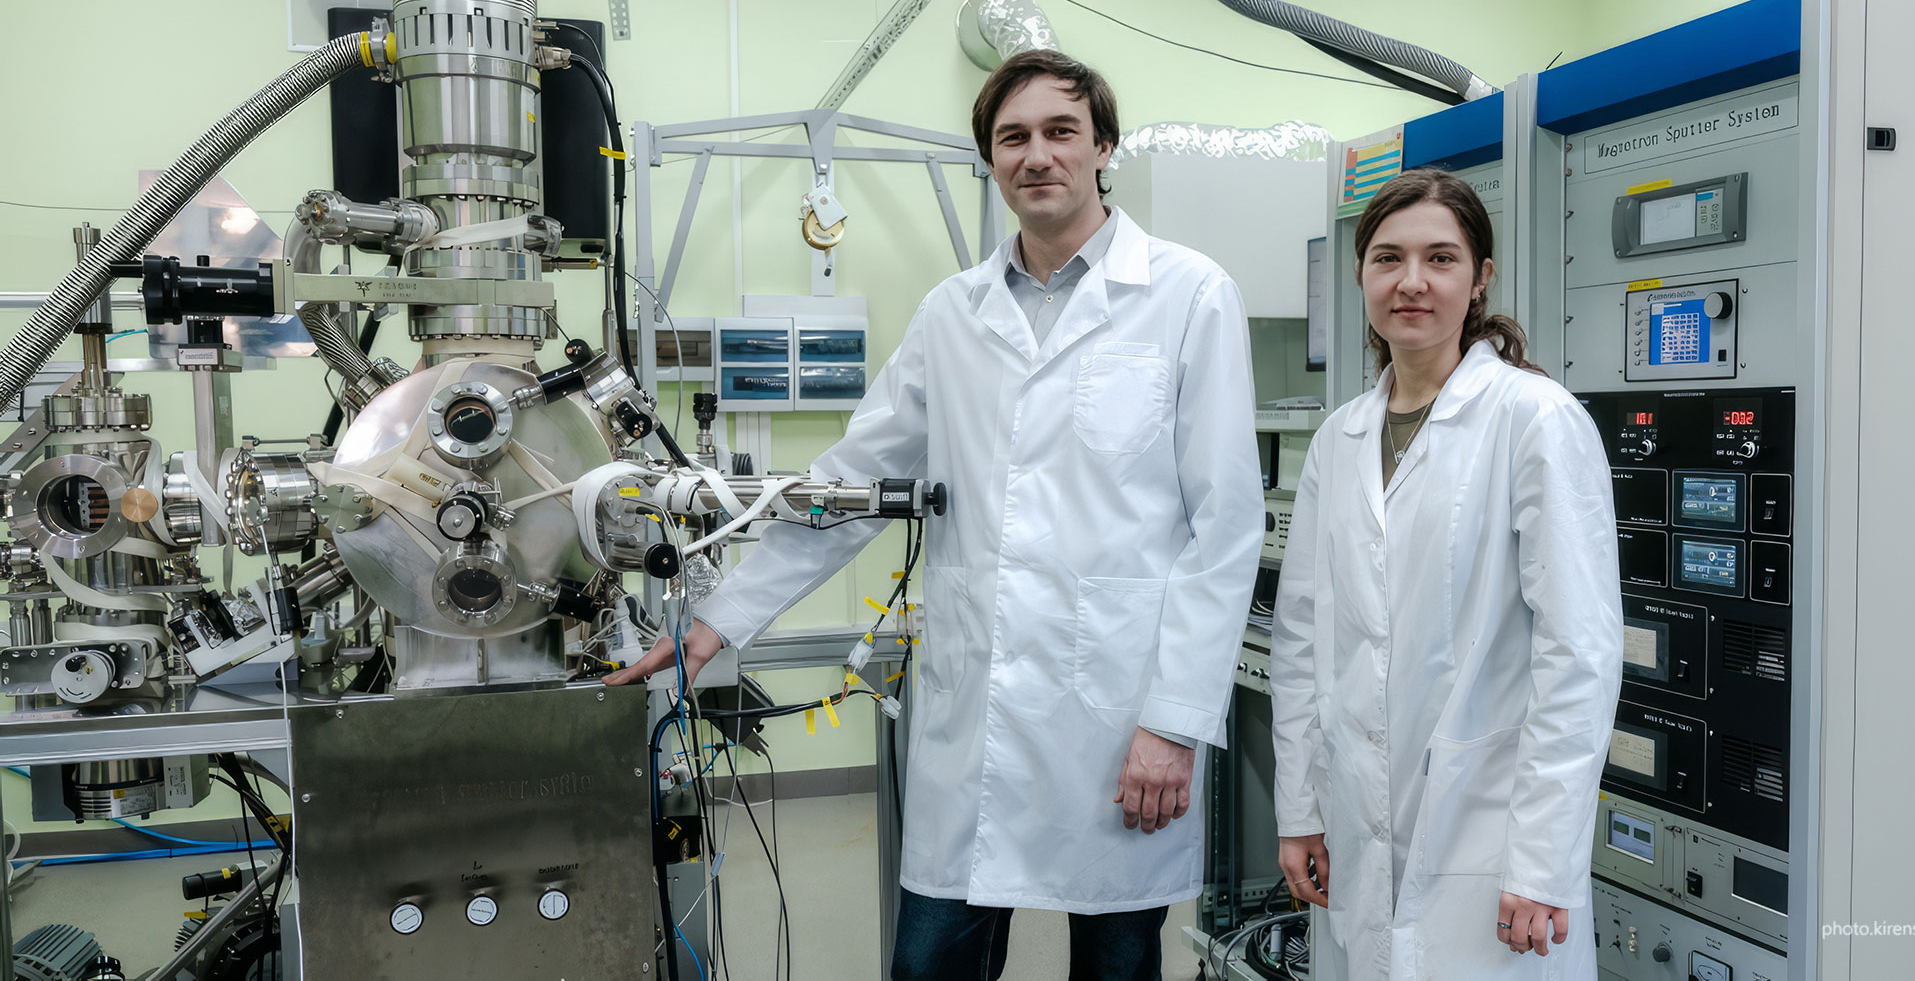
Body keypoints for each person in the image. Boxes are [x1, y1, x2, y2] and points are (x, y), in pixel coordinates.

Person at [607, 49, 1263, 980]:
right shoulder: (954, 312)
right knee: (927, 965)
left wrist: (1174, 722)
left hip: (1119, 713)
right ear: (992, 160)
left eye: (1061, 131)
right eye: (1013, 137)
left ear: (1103, 146)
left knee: (1118, 967)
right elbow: (852, 481)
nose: (1037, 154)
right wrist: (721, 618)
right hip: (979, 714)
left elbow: (1225, 528)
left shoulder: (1189, 294)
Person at [1267, 168, 1622, 979]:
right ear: (1361, 275)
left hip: (1490, 836)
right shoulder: (1339, 439)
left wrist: (1542, 859)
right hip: (1353, 826)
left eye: (1440, 258)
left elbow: (1579, 653)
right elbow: (1301, 643)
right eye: (1388, 258)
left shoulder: (1535, 419)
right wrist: (1299, 808)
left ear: (1480, 277)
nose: (1412, 281)